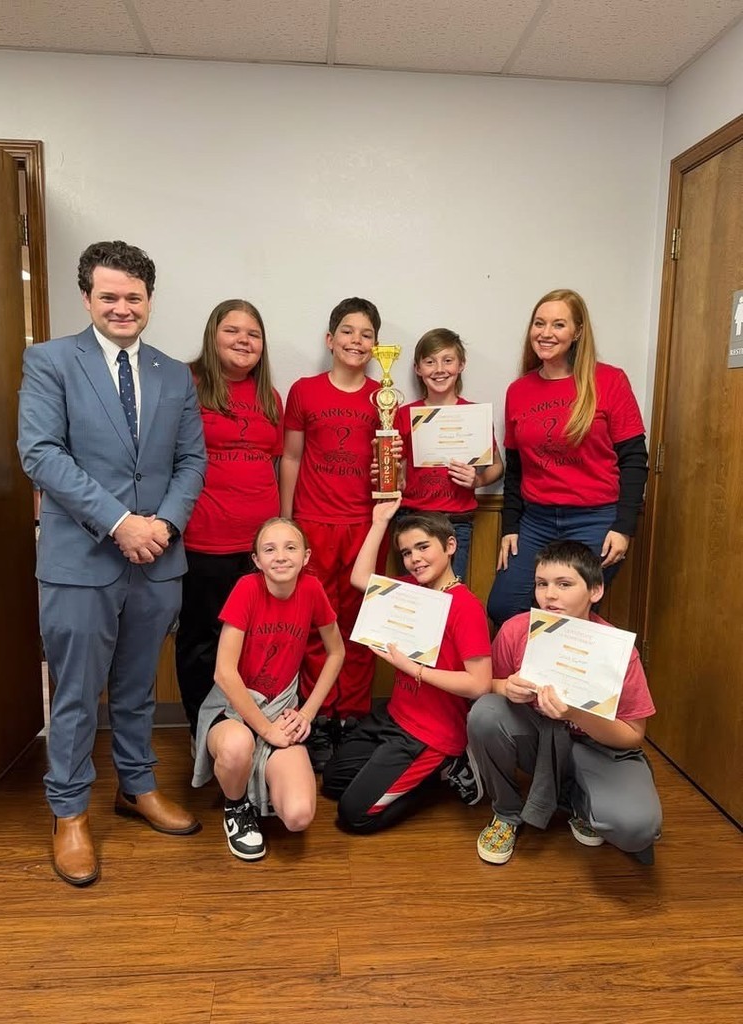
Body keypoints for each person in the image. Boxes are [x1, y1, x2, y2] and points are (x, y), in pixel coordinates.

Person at [17, 240, 207, 887]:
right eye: (109, 296)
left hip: (157, 562)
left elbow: (191, 462)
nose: (122, 307)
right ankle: (68, 812)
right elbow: (40, 454)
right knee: (75, 696)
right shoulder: (49, 362)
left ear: (149, 301)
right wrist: (121, 522)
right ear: (87, 298)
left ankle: (137, 787)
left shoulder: (173, 374)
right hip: (79, 562)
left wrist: (164, 525)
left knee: (135, 691)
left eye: (134, 296)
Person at [469, 539, 661, 866]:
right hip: (538, 738)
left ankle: (576, 799)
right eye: (542, 584)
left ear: (595, 591)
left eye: (564, 584)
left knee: (637, 829)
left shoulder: (618, 649)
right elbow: (488, 684)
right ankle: (507, 812)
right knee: (485, 712)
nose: (550, 595)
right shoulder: (516, 630)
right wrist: (507, 688)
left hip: (598, 747)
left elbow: (632, 735)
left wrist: (575, 712)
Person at [321, 497, 492, 832]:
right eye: (406, 553)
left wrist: (414, 668)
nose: (415, 559)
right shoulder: (412, 588)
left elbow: (480, 684)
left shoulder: (466, 607)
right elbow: (361, 578)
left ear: (450, 545)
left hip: (429, 733)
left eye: (423, 547)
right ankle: (415, 775)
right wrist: (380, 522)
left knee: (353, 815)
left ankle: (443, 771)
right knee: (332, 780)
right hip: (395, 717)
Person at [487, 289, 648, 628]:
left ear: (577, 332)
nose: (546, 333)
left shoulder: (610, 380)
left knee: (572, 616)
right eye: (539, 323)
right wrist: (510, 527)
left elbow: (634, 459)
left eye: (558, 324)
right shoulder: (519, 391)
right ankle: (528, 681)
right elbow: (516, 468)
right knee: (504, 606)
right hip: (536, 521)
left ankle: (558, 682)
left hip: (595, 520)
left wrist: (624, 528)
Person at [192, 518, 344, 860]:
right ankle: (236, 805)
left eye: (290, 547)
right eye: (269, 549)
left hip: (283, 708)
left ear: (306, 556)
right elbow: (224, 673)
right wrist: (266, 730)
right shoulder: (247, 588)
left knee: (298, 816)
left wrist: (307, 712)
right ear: (257, 559)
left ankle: (255, 775)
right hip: (234, 708)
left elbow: (337, 652)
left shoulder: (312, 589)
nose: (280, 556)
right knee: (236, 745)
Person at [280, 297, 383, 771]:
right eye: (347, 331)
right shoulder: (304, 391)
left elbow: (390, 469)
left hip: (364, 528)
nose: (355, 340)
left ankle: (354, 719)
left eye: (365, 334)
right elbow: (293, 459)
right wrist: (286, 523)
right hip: (313, 525)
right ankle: (316, 717)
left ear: (376, 345)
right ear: (330, 339)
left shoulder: (386, 400)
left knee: (362, 628)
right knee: (319, 627)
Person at [176, 300, 283, 737]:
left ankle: (249, 731)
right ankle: (207, 736)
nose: (244, 340)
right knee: (203, 643)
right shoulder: (186, 382)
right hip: (204, 540)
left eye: (253, 334)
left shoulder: (269, 394)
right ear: (212, 336)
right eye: (232, 331)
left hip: (258, 548)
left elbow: (276, 462)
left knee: (256, 642)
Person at [397, 328, 504, 581]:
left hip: (457, 521)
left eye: (448, 360)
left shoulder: (475, 414)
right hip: (412, 518)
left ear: (461, 365)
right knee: (413, 594)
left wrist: (478, 481)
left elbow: (497, 467)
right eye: (430, 361)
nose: (439, 369)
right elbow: (398, 470)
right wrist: (397, 480)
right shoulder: (403, 414)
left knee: (452, 592)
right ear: (418, 368)